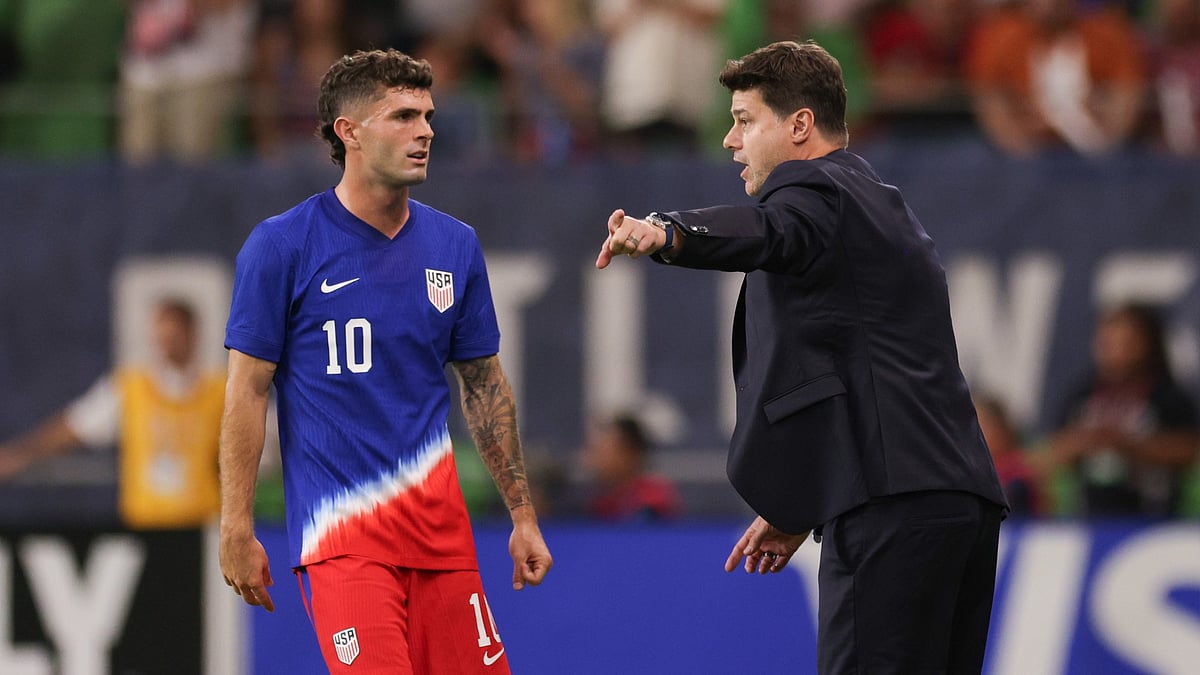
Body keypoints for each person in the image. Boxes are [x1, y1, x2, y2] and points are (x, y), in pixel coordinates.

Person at [596, 40, 1007, 673]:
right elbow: (853, 369)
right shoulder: (878, 201)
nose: (730, 141)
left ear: (799, 125)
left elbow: (769, 230)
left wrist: (668, 232)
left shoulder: (813, 188)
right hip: (956, 502)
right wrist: (803, 500)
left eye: (744, 121)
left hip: (888, 507)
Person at [218, 48, 552, 674]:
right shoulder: (282, 245)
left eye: (427, 115)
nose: (425, 131)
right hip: (345, 546)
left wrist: (522, 515)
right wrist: (235, 524)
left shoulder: (455, 245)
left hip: (444, 543)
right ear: (349, 132)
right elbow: (247, 390)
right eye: (402, 116)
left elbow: (483, 386)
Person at [0, 299, 225, 529]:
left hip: (203, 525)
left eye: (174, 337)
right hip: (146, 527)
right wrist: (18, 457)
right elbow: (75, 427)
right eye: (163, 337)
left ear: (193, 335)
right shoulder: (130, 389)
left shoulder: (220, 392)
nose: (167, 345)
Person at [1049, 302, 1199, 517]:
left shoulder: (1168, 395)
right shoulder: (1082, 395)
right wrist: (1086, 442)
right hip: (1090, 516)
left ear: (1147, 343)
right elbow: (1054, 452)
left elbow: (1188, 449)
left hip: (1154, 515)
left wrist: (1127, 445)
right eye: (1106, 341)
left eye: (1125, 341)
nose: (1113, 350)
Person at [580, 413, 682, 522]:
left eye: (602, 451)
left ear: (630, 452)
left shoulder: (654, 500)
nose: (589, 459)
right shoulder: (601, 504)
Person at [975, 394, 1042, 516]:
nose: (975, 435)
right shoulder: (976, 470)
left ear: (1000, 429)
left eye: (982, 426)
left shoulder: (1018, 471)